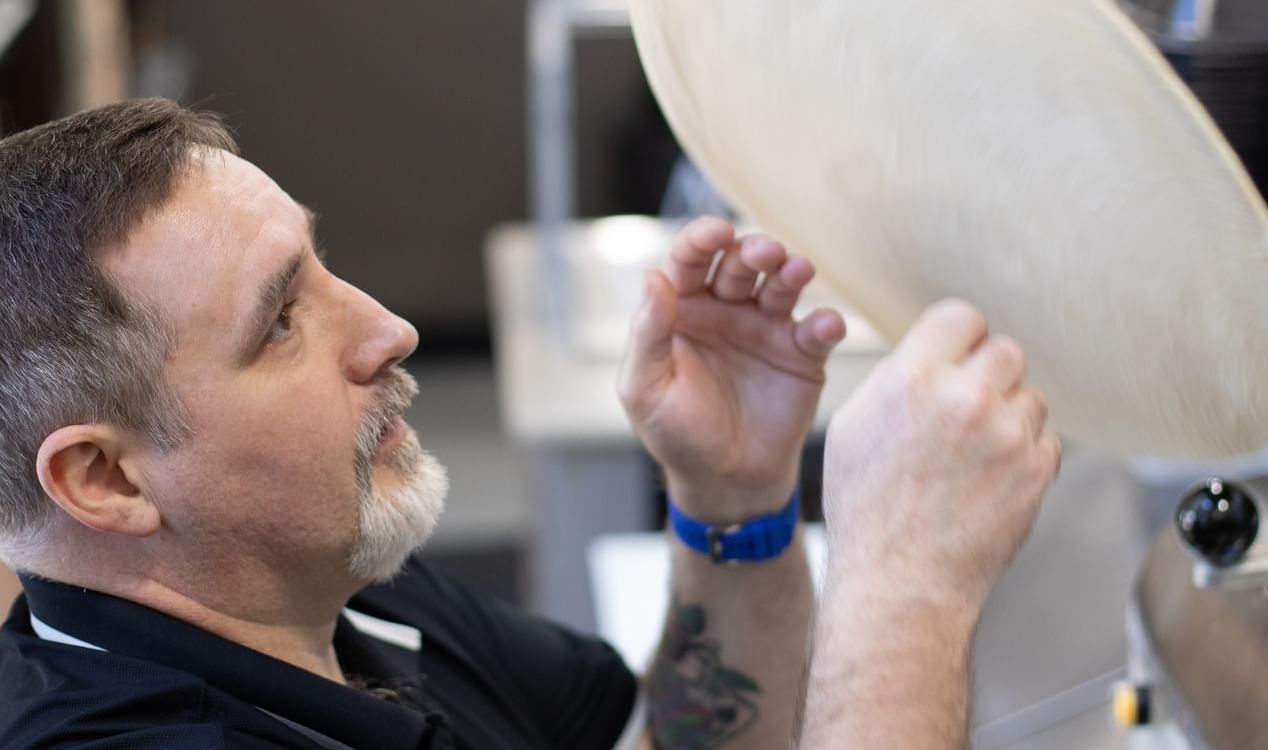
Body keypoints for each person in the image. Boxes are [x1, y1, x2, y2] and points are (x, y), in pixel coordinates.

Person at [0, 99, 1058, 749]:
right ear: (106, 479)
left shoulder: (322, 574)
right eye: (280, 322)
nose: (390, 330)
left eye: (324, 269)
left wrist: (731, 496)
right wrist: (907, 589)